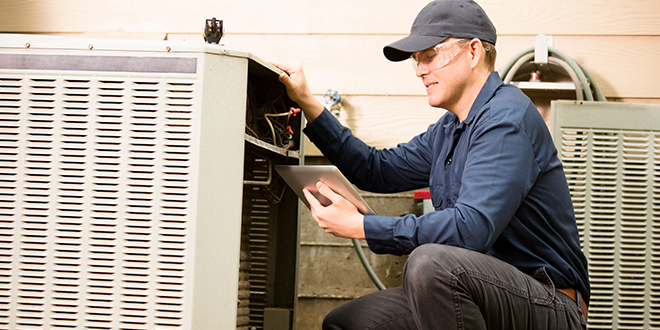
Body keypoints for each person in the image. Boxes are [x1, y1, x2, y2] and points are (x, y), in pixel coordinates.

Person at [273, 0, 590, 329]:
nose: (420, 70)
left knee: (430, 263)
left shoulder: (506, 119)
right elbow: (375, 169)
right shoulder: (450, 129)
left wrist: (361, 226)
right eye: (415, 60)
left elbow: (471, 230)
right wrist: (307, 102)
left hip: (547, 301)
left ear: (473, 52)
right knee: (349, 323)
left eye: (430, 56)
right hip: (478, 290)